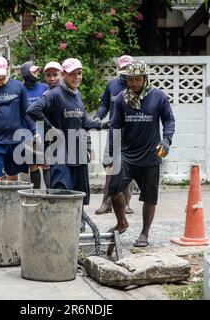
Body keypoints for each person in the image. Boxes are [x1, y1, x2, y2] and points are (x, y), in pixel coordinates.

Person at [27, 58, 110, 232]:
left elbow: (84, 121)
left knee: (79, 192)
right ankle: (58, 228)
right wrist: (51, 128)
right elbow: (33, 110)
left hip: (78, 152)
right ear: (64, 75)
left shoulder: (77, 95)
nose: (77, 77)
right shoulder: (54, 94)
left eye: (79, 73)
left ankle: (76, 224)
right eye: (72, 74)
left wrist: (101, 125)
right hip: (59, 153)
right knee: (61, 191)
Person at [108, 60, 175, 247]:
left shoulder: (159, 97)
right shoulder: (122, 98)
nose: (134, 83)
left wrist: (167, 140)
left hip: (150, 155)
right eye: (130, 79)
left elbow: (169, 120)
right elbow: (115, 126)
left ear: (145, 79)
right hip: (127, 154)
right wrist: (112, 153)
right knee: (114, 188)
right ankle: (122, 222)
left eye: (137, 79)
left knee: (149, 196)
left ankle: (145, 233)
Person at [94, 55, 135, 215]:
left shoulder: (137, 86)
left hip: (131, 134)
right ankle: (106, 203)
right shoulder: (112, 85)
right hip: (114, 133)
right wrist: (98, 116)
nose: (126, 73)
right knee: (110, 168)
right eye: (123, 69)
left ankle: (125, 204)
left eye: (128, 69)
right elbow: (105, 104)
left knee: (128, 169)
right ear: (119, 69)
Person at [21, 61, 50, 188]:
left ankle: (50, 196)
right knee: (33, 165)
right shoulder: (21, 90)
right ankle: (35, 195)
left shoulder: (44, 87)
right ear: (26, 73)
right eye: (33, 71)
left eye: (37, 71)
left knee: (46, 163)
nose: (37, 73)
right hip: (28, 132)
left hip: (44, 130)